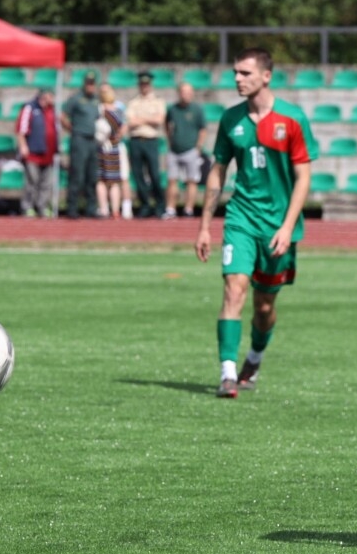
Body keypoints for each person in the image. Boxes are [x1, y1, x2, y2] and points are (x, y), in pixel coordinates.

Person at [194, 48, 318, 398]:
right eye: (235, 72)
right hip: (241, 218)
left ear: (266, 76)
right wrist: (205, 224)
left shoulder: (292, 119)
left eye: (245, 73)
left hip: (279, 226)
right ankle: (227, 373)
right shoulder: (230, 119)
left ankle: (254, 357)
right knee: (234, 288)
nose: (237, 79)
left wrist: (287, 225)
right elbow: (218, 172)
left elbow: (304, 178)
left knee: (264, 308)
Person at [125, 70, 167, 218]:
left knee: (154, 174)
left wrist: (140, 119)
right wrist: (148, 118)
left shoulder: (158, 101)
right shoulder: (133, 102)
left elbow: (159, 120)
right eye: (142, 84)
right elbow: (130, 122)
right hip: (136, 141)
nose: (144, 86)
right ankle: (145, 205)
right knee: (138, 175)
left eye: (146, 84)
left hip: (151, 141)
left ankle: (160, 205)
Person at [59, 72, 101, 218]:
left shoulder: (96, 100)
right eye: (88, 83)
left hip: (92, 140)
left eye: (93, 83)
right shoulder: (76, 99)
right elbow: (63, 116)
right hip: (79, 139)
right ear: (84, 83)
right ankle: (72, 208)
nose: (91, 86)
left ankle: (91, 208)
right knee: (77, 175)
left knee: (92, 176)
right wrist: (72, 129)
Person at [165, 81, 207, 218]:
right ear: (179, 93)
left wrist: (198, 147)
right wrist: (170, 140)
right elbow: (166, 124)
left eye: (189, 92)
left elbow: (203, 129)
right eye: (184, 92)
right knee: (172, 180)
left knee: (192, 181)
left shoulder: (197, 109)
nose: (186, 95)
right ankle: (171, 209)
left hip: (191, 150)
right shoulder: (172, 109)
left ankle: (188, 209)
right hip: (174, 150)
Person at [15, 89, 57, 217]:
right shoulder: (30, 108)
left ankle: (42, 207)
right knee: (32, 181)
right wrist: (23, 146)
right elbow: (21, 129)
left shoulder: (52, 110)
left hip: (48, 154)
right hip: (33, 153)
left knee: (46, 183)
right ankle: (28, 206)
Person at [95, 85, 126, 219]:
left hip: (103, 147)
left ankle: (104, 209)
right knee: (114, 181)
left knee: (102, 180)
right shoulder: (119, 111)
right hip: (114, 147)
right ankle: (115, 210)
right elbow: (123, 128)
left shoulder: (99, 110)